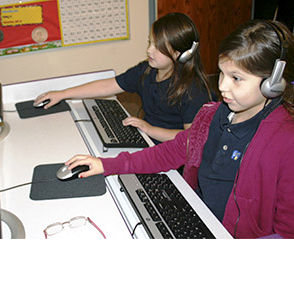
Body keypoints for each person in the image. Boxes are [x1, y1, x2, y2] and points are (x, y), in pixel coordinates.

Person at [64, 19, 294, 239]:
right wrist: (106, 164)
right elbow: (170, 152)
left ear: (273, 84)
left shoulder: (286, 142)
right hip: (197, 217)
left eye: (236, 78)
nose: (222, 85)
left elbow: (286, 233)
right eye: (222, 73)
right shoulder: (212, 115)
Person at [34, 13, 215, 143]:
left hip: (172, 152)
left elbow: (192, 138)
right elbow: (107, 86)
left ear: (179, 54)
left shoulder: (193, 90)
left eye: (158, 47)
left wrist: (149, 129)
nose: (149, 50)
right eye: (149, 42)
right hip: (147, 138)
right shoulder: (146, 71)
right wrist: (63, 94)